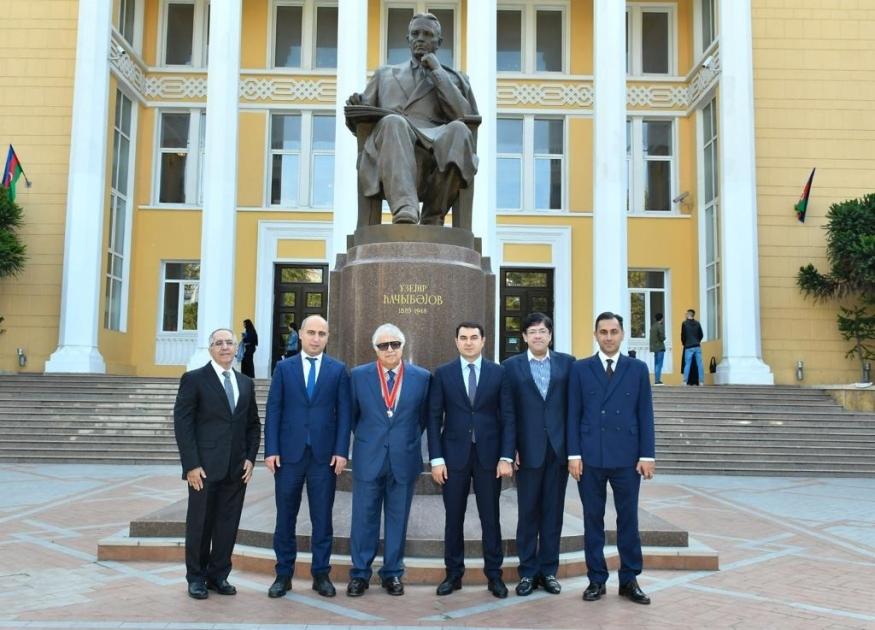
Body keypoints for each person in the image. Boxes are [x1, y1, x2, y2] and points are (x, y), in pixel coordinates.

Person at [346, 12, 478, 226]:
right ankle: (405, 208)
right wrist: (357, 104)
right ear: (408, 39)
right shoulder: (385, 74)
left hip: (433, 151)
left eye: (427, 34)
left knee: (460, 131)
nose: (420, 38)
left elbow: (466, 117)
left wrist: (437, 72)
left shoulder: (454, 78)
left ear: (439, 42)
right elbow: (361, 123)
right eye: (415, 34)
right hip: (390, 148)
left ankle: (432, 217)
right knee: (394, 122)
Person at [567, 312, 655, 605]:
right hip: (590, 456)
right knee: (592, 519)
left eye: (613, 331)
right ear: (595, 335)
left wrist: (647, 455)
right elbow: (572, 414)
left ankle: (629, 579)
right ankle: (596, 579)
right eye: (603, 332)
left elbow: (645, 414)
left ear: (622, 334)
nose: (608, 337)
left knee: (628, 519)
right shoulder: (580, 369)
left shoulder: (637, 369)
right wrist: (573, 454)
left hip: (627, 457)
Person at [264, 315, 351, 599]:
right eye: (311, 332)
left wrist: (341, 451)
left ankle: (321, 574)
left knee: (322, 518)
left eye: (321, 334)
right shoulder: (283, 368)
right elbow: (274, 409)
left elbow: (345, 414)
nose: (316, 338)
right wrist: (271, 449)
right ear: (300, 335)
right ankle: (283, 575)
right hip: (288, 456)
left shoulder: (338, 370)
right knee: (285, 517)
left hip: (324, 458)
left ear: (327, 337)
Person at [173, 328, 261, 600]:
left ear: (236, 348)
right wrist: (191, 465)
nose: (224, 347)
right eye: (218, 343)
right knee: (200, 524)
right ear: (210, 348)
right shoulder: (194, 379)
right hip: (203, 469)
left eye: (229, 343)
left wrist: (250, 458)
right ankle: (196, 577)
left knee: (227, 525)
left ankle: (218, 575)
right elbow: (183, 424)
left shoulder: (245, 383)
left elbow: (253, 425)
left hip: (236, 470)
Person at [427, 322, 513, 599]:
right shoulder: (443, 373)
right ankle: (453, 574)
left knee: (491, 518)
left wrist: (506, 456)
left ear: (483, 341)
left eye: (474, 337)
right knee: (453, 518)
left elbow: (508, 416)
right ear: (456, 341)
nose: (468, 342)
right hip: (453, 458)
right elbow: (433, 418)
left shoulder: (498, 373)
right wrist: (436, 459)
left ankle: (494, 576)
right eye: (463, 337)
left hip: (489, 457)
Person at [346, 324, 431, 597]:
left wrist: (403, 440)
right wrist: (371, 439)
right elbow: (352, 416)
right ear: (375, 349)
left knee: (398, 519)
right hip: (368, 458)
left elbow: (423, 418)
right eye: (383, 345)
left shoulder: (422, 377)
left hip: (404, 459)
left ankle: (392, 573)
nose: (390, 349)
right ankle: (360, 574)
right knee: (363, 519)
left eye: (395, 344)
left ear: (402, 346)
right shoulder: (358, 376)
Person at [501, 313, 574, 597]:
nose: (538, 336)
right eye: (532, 331)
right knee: (528, 514)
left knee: (553, 514)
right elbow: (507, 413)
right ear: (524, 337)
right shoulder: (510, 367)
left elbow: (573, 409)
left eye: (542, 331)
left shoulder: (568, 364)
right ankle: (528, 573)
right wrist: (510, 450)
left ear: (550, 335)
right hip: (527, 452)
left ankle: (549, 572)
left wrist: (573, 450)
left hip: (558, 451)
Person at [681, 309, 704, 385]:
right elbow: (701, 335)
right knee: (699, 364)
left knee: (687, 364)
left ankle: (685, 381)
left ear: (688, 314)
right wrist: (697, 341)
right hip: (697, 346)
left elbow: (683, 335)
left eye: (686, 313)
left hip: (688, 346)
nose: (685, 315)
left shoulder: (684, 323)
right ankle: (701, 381)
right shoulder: (698, 323)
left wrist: (685, 343)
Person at [649, 313, 666, 385]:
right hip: (660, 347)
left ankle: (656, 379)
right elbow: (662, 337)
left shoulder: (653, 326)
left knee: (656, 364)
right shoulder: (660, 326)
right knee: (659, 364)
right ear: (661, 318)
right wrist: (664, 338)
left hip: (654, 348)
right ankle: (657, 380)